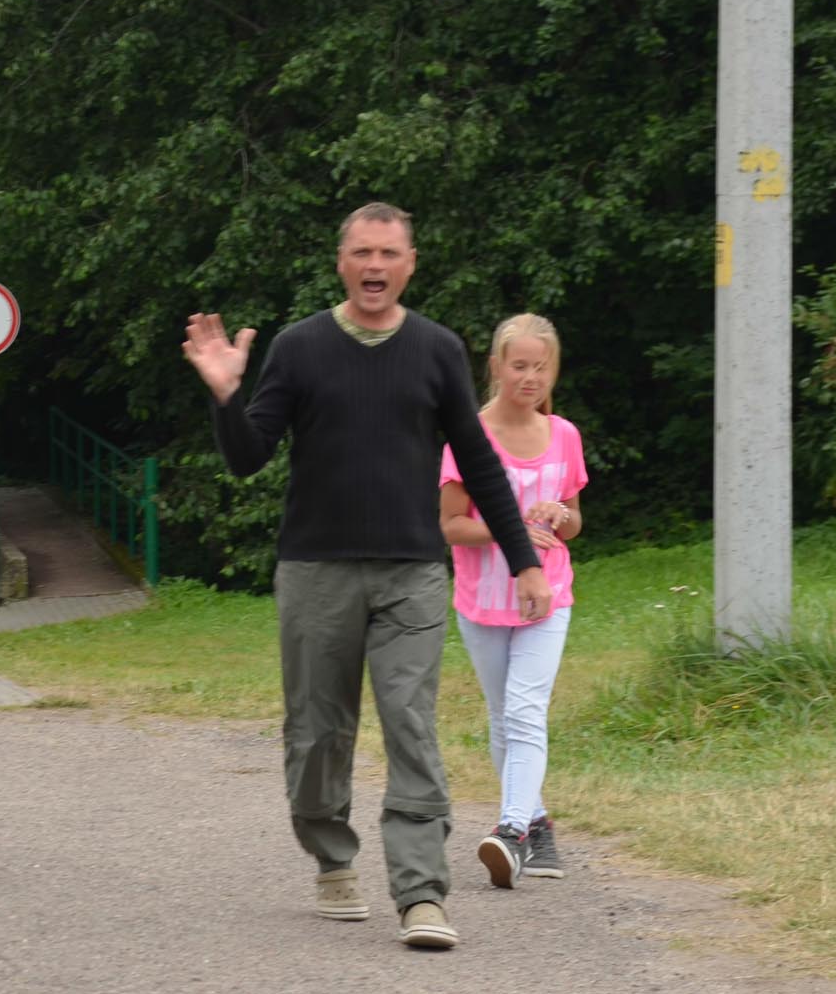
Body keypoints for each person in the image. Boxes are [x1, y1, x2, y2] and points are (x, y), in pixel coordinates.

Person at [182, 201, 549, 950]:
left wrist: (524, 560)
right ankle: (331, 856)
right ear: (341, 262)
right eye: (361, 252)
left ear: (409, 264)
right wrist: (224, 395)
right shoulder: (300, 347)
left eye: (388, 253)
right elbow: (248, 456)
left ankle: (421, 893)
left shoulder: (437, 349)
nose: (374, 265)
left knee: (410, 721)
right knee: (318, 729)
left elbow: (477, 462)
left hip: (411, 571)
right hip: (315, 570)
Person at [440, 313, 587, 888]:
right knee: (504, 716)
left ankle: (511, 832)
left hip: (548, 596)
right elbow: (451, 526)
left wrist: (559, 514)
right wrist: (512, 530)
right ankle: (538, 828)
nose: (531, 377)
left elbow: (573, 524)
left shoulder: (565, 435)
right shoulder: (468, 436)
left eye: (541, 367)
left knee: (525, 710)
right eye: (519, 365)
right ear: (496, 367)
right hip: (483, 598)